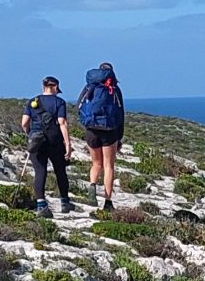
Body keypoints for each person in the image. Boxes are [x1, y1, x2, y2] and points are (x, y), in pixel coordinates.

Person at [20, 74, 75, 216]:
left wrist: (30, 135)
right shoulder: (59, 102)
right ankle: (64, 202)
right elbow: (62, 123)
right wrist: (68, 144)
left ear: (43, 87)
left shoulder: (33, 101)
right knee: (60, 171)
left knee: (40, 172)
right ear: (55, 87)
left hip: (36, 141)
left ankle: (41, 205)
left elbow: (24, 123)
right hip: (54, 140)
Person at [77, 61, 126, 212]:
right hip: (109, 130)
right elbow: (120, 114)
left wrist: (86, 124)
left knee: (96, 164)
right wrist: (119, 137)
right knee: (108, 166)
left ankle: (92, 186)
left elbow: (79, 105)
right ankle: (108, 201)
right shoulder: (115, 89)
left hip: (91, 129)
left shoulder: (89, 87)